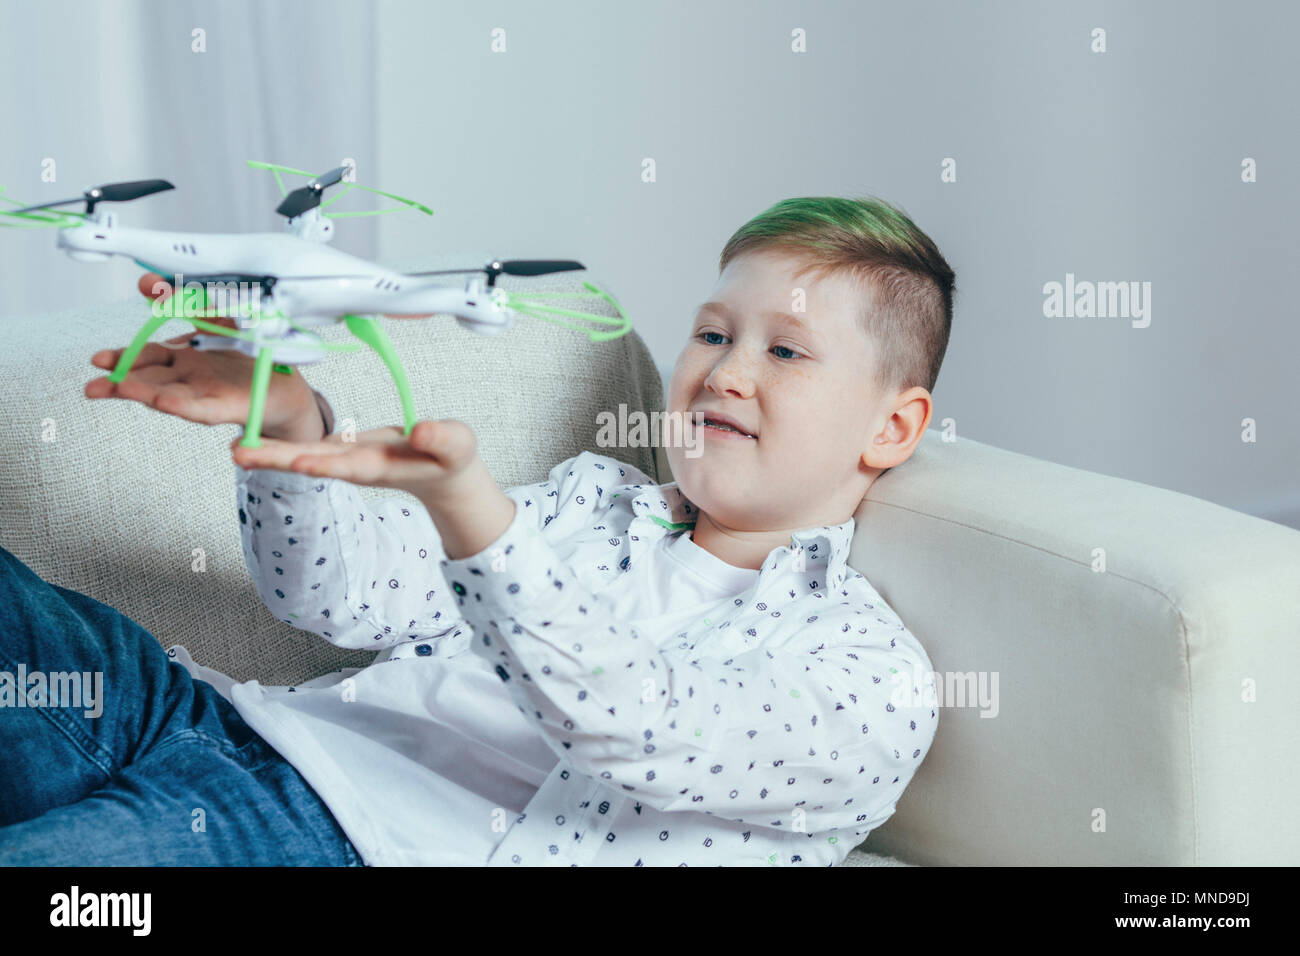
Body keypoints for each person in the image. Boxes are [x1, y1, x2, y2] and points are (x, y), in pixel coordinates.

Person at [0, 196, 953, 866]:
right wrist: (290, 433)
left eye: (784, 351)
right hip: (206, 718)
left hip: (327, 839)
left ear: (893, 427)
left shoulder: (868, 676)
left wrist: (473, 514)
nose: (726, 373)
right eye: (713, 334)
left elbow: (628, 722)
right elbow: (338, 595)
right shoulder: (594, 500)